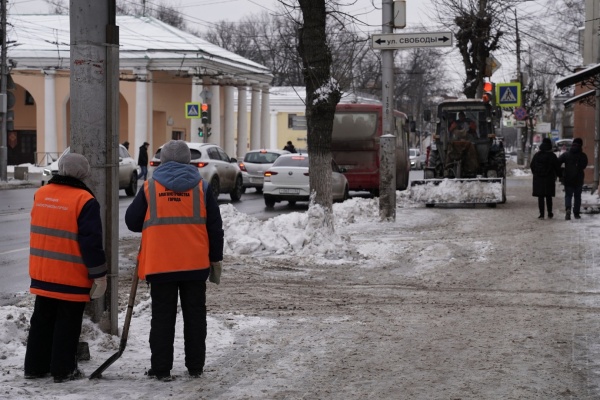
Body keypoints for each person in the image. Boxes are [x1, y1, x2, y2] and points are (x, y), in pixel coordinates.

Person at [125, 140, 224, 381]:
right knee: (195, 317)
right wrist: (215, 260)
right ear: (188, 161)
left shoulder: (150, 188)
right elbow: (215, 228)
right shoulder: (201, 187)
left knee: (162, 318)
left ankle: (161, 368)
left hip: (160, 265)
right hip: (194, 265)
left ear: (163, 161)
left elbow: (132, 222)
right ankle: (195, 366)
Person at [24, 153, 107, 383]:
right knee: (67, 324)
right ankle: (63, 370)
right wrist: (99, 275)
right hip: (71, 276)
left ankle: (34, 367)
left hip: (43, 273)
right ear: (84, 174)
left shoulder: (41, 194)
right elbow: (91, 243)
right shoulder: (84, 200)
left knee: (41, 321)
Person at [557, 137, 588, 220]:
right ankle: (576, 213)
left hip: (568, 178)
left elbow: (558, 162)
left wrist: (561, 172)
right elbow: (584, 166)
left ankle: (568, 209)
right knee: (577, 196)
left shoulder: (566, 154)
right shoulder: (583, 155)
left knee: (568, 195)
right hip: (579, 178)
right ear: (581, 145)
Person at [530, 138, 560, 220]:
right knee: (548, 196)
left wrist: (536, 174)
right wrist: (559, 175)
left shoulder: (537, 155)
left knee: (541, 197)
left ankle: (541, 214)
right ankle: (550, 213)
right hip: (549, 179)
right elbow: (557, 167)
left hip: (539, 179)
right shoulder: (552, 156)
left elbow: (532, 165)